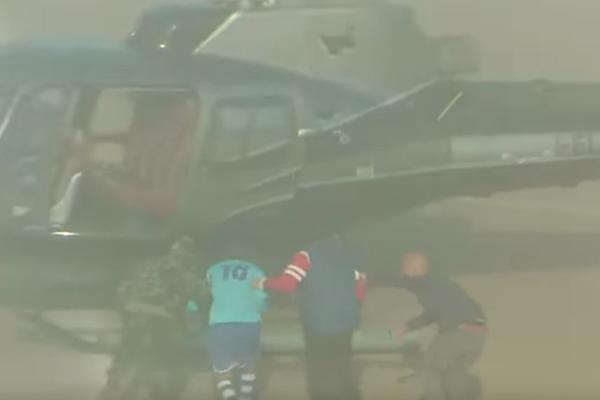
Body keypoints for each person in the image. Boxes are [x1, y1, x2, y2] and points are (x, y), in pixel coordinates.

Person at [253, 233, 366, 400]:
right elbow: (360, 287)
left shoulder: (305, 256)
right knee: (343, 367)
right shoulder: (346, 256)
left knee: (319, 371)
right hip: (346, 322)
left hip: (318, 322)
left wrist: (262, 282)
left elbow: (287, 284)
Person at [100, 236, 203, 400]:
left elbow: (125, 288)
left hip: (138, 311)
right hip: (151, 314)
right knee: (163, 355)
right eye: (186, 255)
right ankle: (128, 377)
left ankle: (120, 376)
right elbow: (195, 296)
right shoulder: (179, 271)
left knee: (134, 348)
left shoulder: (154, 265)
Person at [392, 252, 487, 400]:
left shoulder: (424, 284)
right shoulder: (442, 283)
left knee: (430, 368)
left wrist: (408, 326)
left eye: (404, 268)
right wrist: (409, 326)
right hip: (478, 332)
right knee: (453, 373)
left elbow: (433, 313)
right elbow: (438, 310)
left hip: (458, 330)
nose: (402, 272)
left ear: (412, 269)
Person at [205, 247, 269, 400]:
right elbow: (261, 298)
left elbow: (209, 294)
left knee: (222, 368)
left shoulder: (212, 270)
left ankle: (229, 396)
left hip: (220, 323)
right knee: (248, 362)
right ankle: (246, 395)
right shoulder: (255, 270)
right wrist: (260, 310)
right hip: (249, 322)